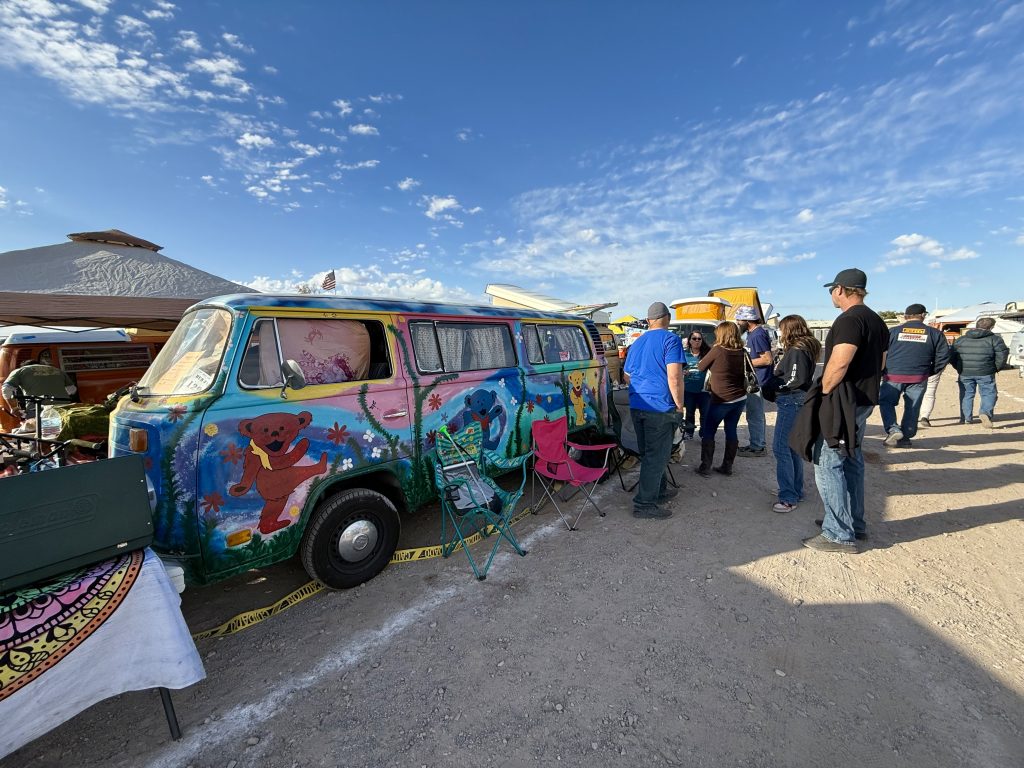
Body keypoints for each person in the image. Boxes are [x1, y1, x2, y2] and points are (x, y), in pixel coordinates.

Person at [802, 268, 889, 553]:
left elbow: (839, 363)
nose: (831, 295)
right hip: (863, 400)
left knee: (828, 461)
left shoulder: (849, 320)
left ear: (841, 289)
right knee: (851, 458)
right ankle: (853, 522)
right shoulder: (877, 321)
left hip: (843, 400)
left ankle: (838, 533)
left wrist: (825, 392)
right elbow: (882, 363)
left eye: (832, 289)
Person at [623, 302, 686, 519]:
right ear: (667, 318)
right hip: (660, 406)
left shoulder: (638, 342)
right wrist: (679, 405)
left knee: (652, 454)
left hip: (638, 405)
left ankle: (658, 492)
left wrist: (644, 383)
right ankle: (644, 504)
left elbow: (626, 376)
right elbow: (674, 376)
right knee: (656, 456)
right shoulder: (671, 340)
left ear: (649, 320)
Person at [767, 315, 821, 513]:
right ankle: (795, 491)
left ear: (790, 329)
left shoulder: (797, 350)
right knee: (791, 448)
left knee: (780, 447)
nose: (780, 333)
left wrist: (776, 387)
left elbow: (795, 379)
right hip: (796, 399)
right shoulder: (803, 348)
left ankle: (788, 497)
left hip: (791, 400)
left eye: (782, 329)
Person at [879, 303, 950, 447]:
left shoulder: (892, 332)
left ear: (906, 317)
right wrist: (929, 371)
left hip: (893, 376)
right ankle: (905, 438)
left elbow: (881, 352)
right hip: (919, 377)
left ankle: (893, 430)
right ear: (923, 315)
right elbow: (943, 356)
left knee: (886, 402)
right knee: (913, 406)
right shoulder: (935, 333)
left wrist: (881, 371)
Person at [695, 321, 748, 477]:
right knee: (731, 430)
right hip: (739, 398)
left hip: (721, 399)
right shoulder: (742, 351)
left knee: (709, 431)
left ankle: (705, 468)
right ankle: (727, 467)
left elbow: (700, 367)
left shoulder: (718, 350)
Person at [950, 317, 1009, 428]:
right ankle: (985, 413)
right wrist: (995, 368)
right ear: (991, 327)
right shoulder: (995, 339)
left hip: (965, 372)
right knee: (989, 394)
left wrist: (959, 367)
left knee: (966, 394)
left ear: (976, 326)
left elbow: (952, 356)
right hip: (986, 372)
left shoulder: (961, 339)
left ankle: (966, 418)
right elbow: (1002, 355)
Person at [734, 305, 772, 457]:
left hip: (758, 382)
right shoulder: (752, 334)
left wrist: (744, 363)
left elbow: (767, 359)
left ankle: (757, 447)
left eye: (739, 320)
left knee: (754, 415)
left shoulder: (757, 335)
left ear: (747, 319)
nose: (737, 323)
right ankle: (756, 443)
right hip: (755, 381)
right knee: (754, 414)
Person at [1, 360, 77, 420]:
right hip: (64, 409)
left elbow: (6, 389)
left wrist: (14, 408)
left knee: (40, 435)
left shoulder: (20, 371)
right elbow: (72, 389)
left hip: (37, 410)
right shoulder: (58, 370)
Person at [681, 330, 711, 440]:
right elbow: (679, 368)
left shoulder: (708, 353)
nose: (697, 341)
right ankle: (689, 432)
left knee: (705, 413)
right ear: (689, 341)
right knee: (689, 412)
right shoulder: (684, 354)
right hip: (689, 388)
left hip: (704, 389)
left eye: (699, 339)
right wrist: (683, 372)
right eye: (694, 338)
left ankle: (704, 434)